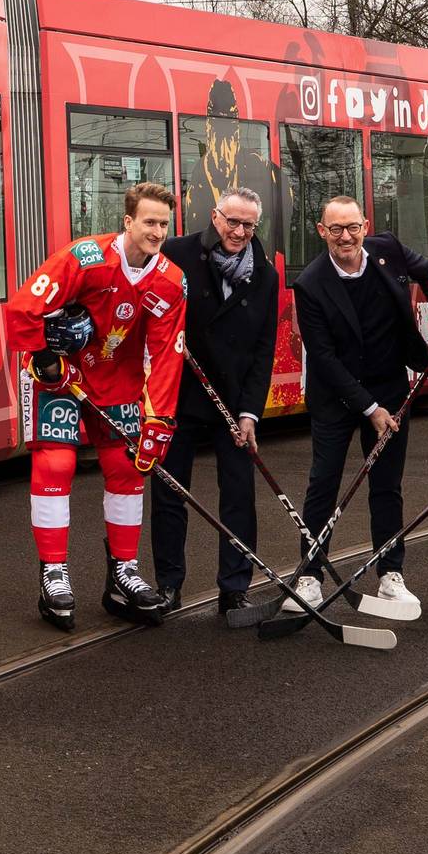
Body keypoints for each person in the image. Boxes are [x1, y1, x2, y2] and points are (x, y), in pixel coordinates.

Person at [6, 181, 186, 630]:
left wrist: (159, 420)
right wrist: (45, 358)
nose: (157, 230)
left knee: (127, 468)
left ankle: (123, 573)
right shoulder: (84, 258)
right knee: (56, 463)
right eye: (149, 221)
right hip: (60, 377)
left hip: (117, 380)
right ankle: (53, 572)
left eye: (164, 223)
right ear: (128, 221)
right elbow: (21, 309)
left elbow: (167, 355)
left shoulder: (170, 281)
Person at [287, 195, 428, 612]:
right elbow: (323, 357)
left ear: (365, 225)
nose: (346, 237)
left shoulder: (387, 250)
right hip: (337, 395)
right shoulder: (311, 284)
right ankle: (309, 576)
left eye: (353, 227)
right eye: (335, 229)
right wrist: (370, 409)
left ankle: (391, 575)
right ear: (322, 232)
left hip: (390, 383)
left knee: (387, 486)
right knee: (324, 484)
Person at [155, 188, 278, 612]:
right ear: (215, 217)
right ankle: (168, 584)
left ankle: (235, 587)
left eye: (248, 225)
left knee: (239, 493)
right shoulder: (176, 253)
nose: (239, 231)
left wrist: (250, 413)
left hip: (234, 400)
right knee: (171, 491)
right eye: (232, 222)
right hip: (179, 394)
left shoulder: (265, 273)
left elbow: (264, 349)